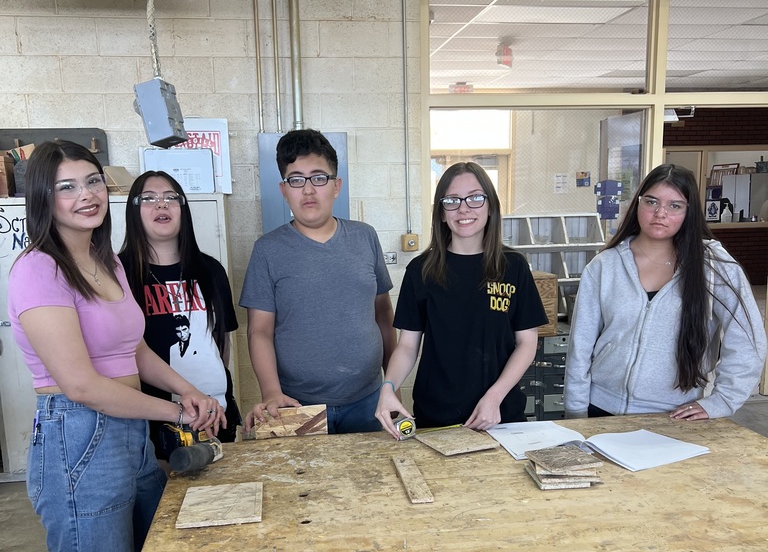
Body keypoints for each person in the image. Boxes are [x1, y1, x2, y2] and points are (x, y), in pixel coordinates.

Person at [7, 142, 225, 552]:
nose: (87, 196)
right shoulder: (38, 269)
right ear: (44, 198)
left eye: (94, 181)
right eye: (68, 186)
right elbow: (80, 383)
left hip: (129, 437)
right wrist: (173, 412)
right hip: (77, 442)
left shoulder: (110, 263)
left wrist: (186, 391)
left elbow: (134, 350)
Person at [564, 163, 766, 421]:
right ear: (638, 204)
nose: (660, 213)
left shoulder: (714, 265)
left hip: (675, 416)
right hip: (602, 409)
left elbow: (748, 338)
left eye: (675, 206)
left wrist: (722, 400)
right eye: (651, 202)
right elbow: (580, 346)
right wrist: (575, 410)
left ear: (688, 212)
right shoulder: (605, 266)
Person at [239, 129, 396, 435]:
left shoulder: (365, 237)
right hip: (297, 406)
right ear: (284, 190)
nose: (308, 190)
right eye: (296, 179)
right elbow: (259, 331)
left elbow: (383, 316)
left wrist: (391, 386)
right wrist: (271, 391)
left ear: (336, 186)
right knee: (304, 482)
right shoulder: (268, 250)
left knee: (372, 481)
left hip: (368, 399)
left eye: (318, 177)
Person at [375, 161, 547, 438]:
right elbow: (407, 346)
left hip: (501, 415)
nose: (464, 208)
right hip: (437, 416)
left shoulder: (513, 266)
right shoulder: (421, 271)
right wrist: (387, 387)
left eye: (475, 198)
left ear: (490, 206)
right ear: (441, 213)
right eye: (452, 200)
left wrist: (494, 397)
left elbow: (527, 343)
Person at [120, 170, 240, 459]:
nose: (162, 205)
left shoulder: (211, 271)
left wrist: (217, 391)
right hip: (155, 421)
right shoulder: (119, 273)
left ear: (183, 208)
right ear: (134, 212)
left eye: (171, 198)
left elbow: (221, 343)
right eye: (148, 198)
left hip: (216, 413)